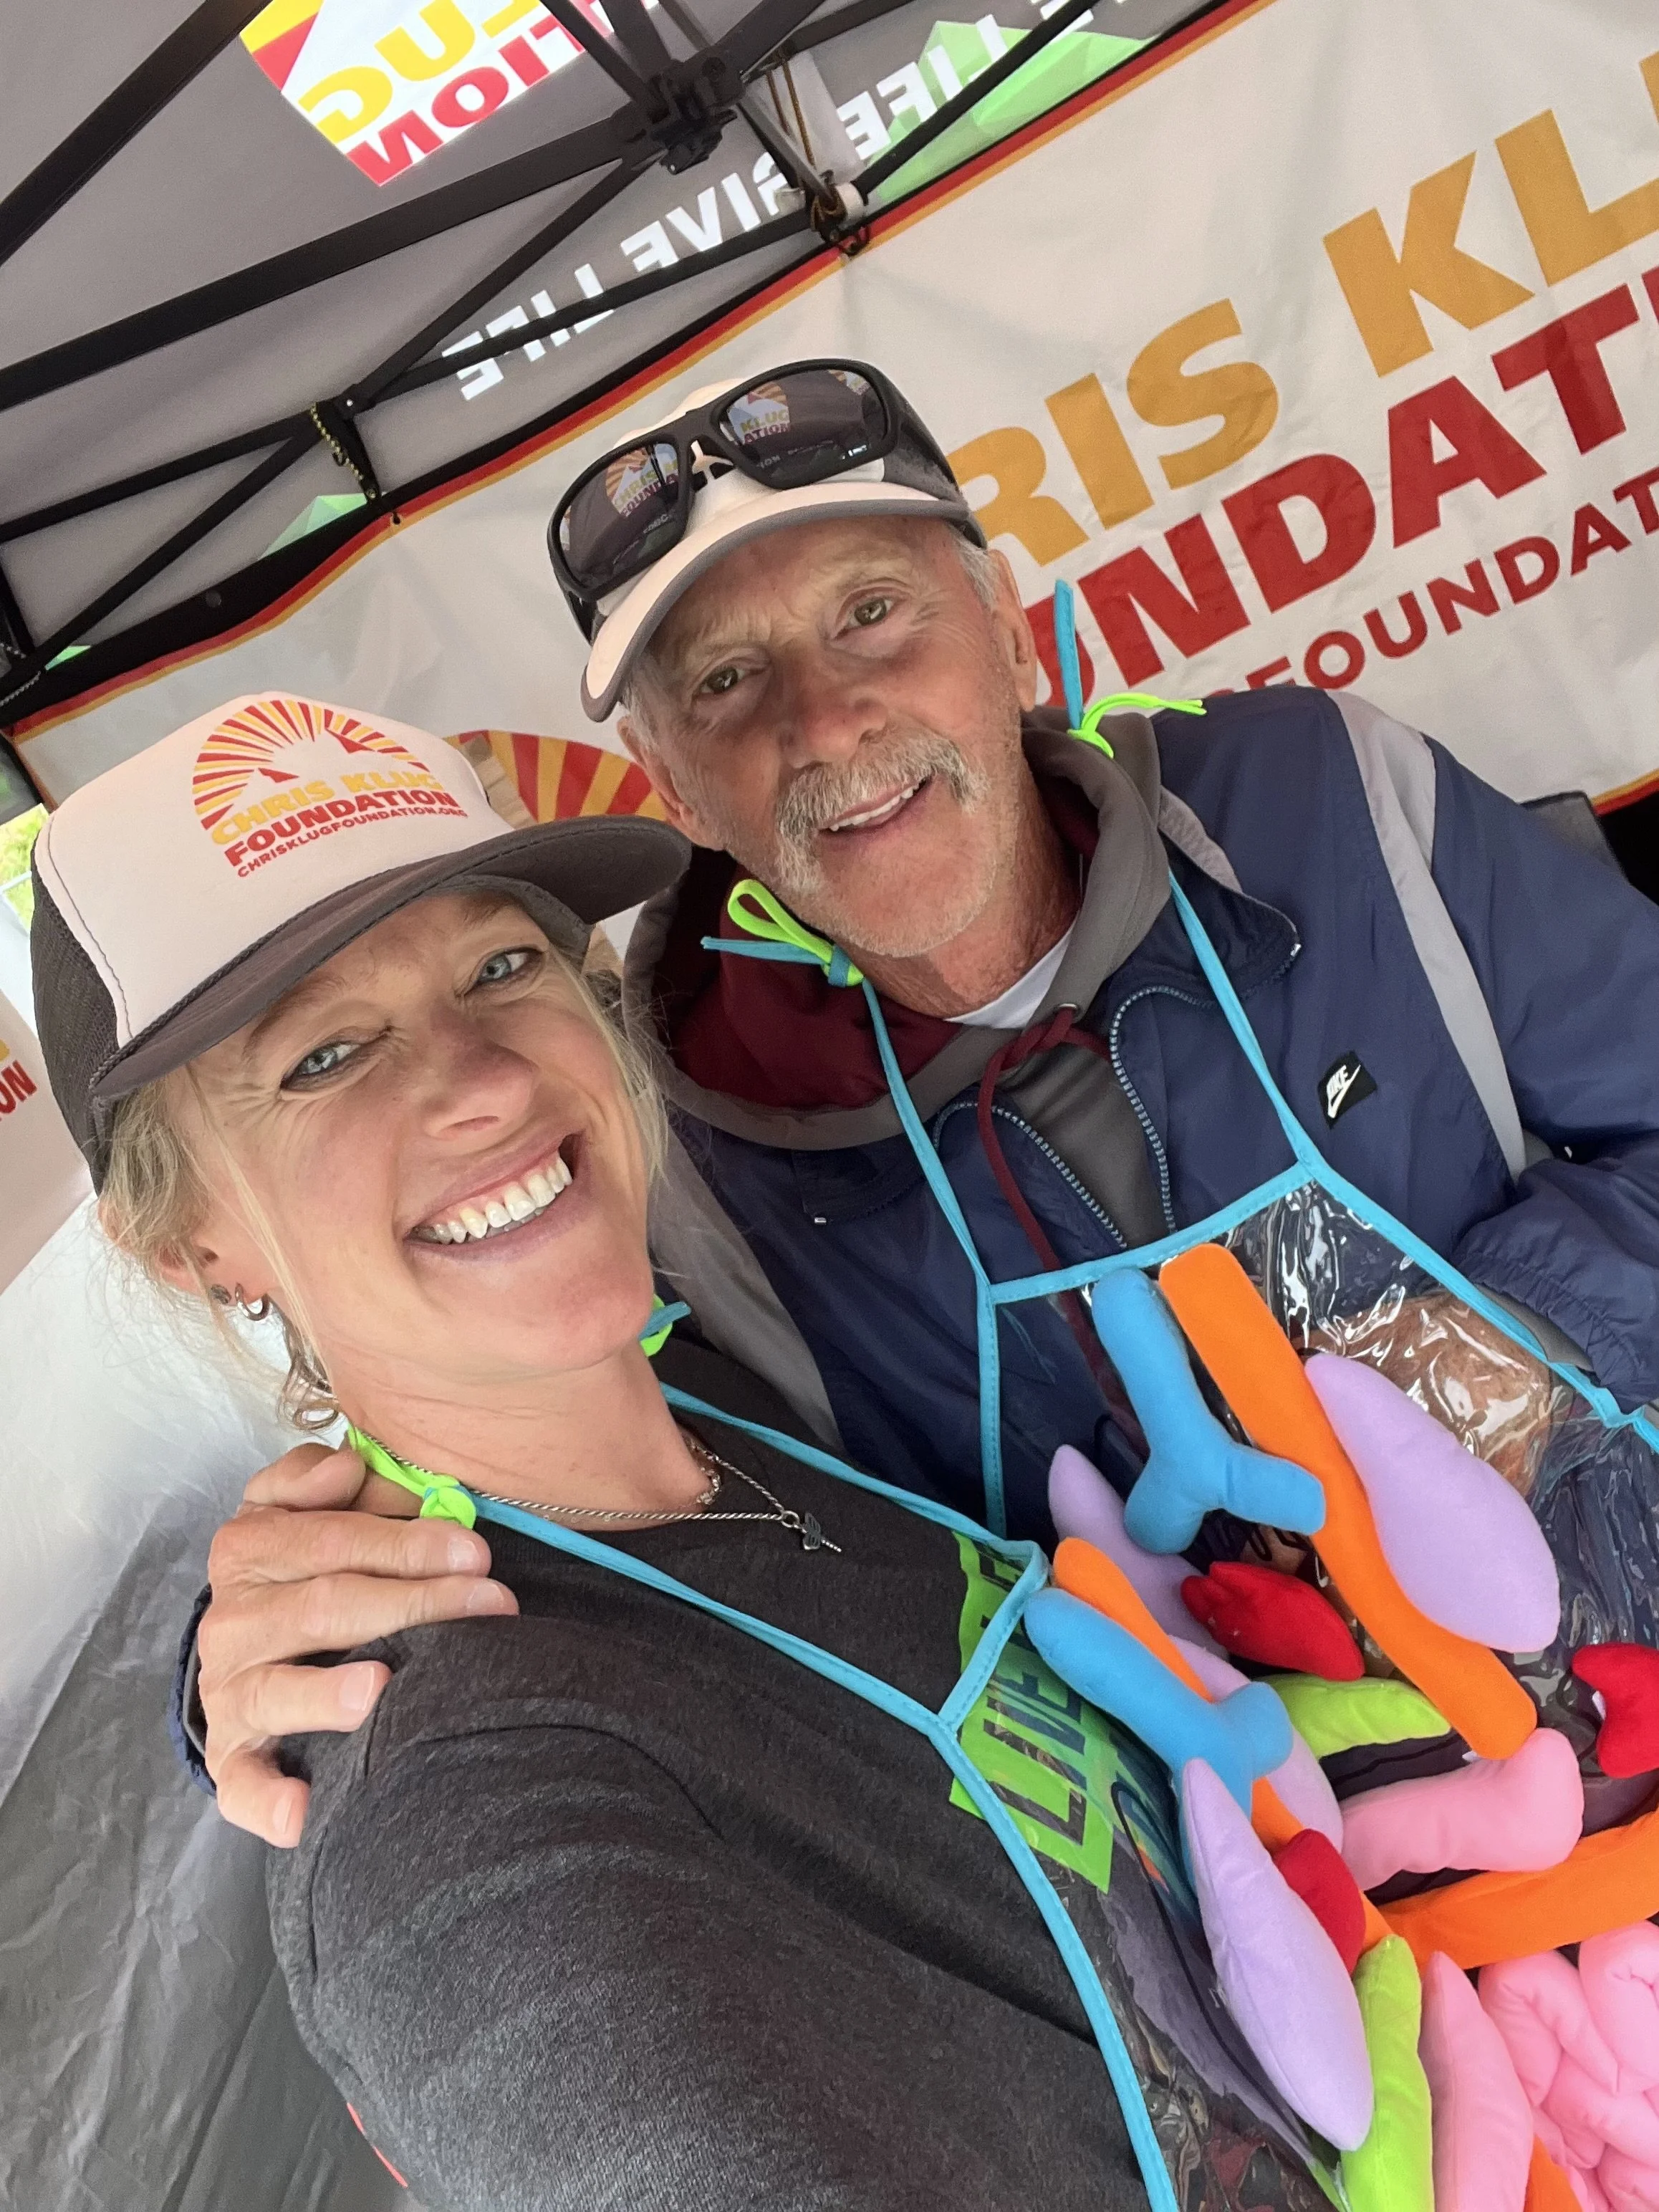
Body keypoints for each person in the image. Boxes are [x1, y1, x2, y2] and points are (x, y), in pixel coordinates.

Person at [184, 358, 1659, 1849]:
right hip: (1357, 1910)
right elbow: (534, 1468)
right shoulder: (676, 1144)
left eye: (871, 611)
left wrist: (1506, 1342)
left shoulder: (1326, 799)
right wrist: (263, 1647)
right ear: (676, 789)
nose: (826, 721)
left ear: (1010, 635)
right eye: (723, 681)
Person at [27, 701, 1338, 2210]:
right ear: (193, 1239)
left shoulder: (728, 1370)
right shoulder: (461, 1831)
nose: (485, 1081)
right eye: (326, 1054)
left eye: (502, 965)